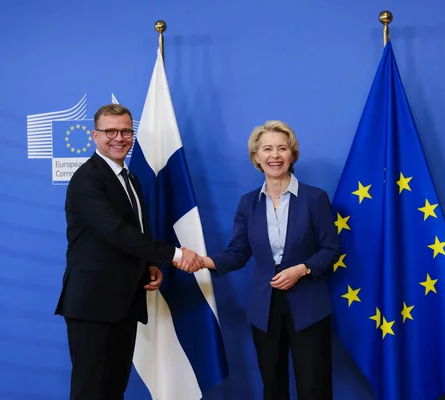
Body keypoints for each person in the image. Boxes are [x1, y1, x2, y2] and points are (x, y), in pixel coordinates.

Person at [176, 120, 340, 400]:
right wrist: (204, 262)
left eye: (282, 148)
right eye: (267, 149)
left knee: (314, 388)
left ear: (292, 155)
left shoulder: (315, 198)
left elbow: (331, 249)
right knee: (273, 388)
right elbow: (238, 253)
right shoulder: (248, 203)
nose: (274, 155)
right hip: (265, 309)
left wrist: (302, 269)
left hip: (309, 306)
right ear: (256, 157)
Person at [54, 104, 202, 400]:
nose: (118, 137)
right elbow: (115, 233)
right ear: (95, 136)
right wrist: (174, 255)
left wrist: (148, 264)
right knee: (90, 390)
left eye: (125, 131)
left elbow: (134, 233)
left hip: (123, 303)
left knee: (113, 389)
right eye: (110, 131)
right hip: (93, 305)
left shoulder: (130, 179)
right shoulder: (87, 179)